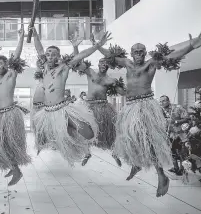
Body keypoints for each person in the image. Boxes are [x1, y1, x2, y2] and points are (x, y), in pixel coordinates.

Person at [98, 32, 201, 197]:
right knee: (127, 136)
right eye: (135, 51)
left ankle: (161, 175)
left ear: (145, 53)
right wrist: (98, 45)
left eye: (141, 51)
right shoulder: (127, 63)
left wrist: (190, 46)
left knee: (149, 140)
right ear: (131, 53)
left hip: (146, 105)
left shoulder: (151, 63)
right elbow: (111, 57)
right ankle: (136, 163)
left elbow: (171, 56)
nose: (138, 53)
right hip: (130, 106)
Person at [31, 27, 110, 164]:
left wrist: (97, 45)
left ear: (58, 56)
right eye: (48, 53)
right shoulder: (44, 68)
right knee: (43, 138)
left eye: (53, 54)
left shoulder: (64, 68)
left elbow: (81, 55)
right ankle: (65, 137)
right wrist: (35, 34)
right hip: (47, 112)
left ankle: (80, 143)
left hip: (62, 109)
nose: (49, 56)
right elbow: (39, 49)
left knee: (88, 133)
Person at [0, 27, 30, 186]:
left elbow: (16, 55)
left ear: (7, 64)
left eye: (1, 63)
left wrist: (21, 38)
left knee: (8, 143)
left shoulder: (11, 74)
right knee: (0, 143)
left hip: (9, 115)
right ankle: (13, 167)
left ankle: (16, 170)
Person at [74, 57, 126, 166]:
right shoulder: (90, 72)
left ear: (109, 66)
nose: (104, 65)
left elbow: (122, 92)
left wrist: (119, 85)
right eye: (102, 62)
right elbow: (78, 62)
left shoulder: (111, 80)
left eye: (106, 63)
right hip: (89, 107)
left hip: (103, 107)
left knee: (113, 132)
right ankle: (87, 153)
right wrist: (75, 46)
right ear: (98, 64)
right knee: (83, 129)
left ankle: (115, 153)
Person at [159, 95, 189, 175]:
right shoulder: (160, 110)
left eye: (164, 100)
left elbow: (187, 118)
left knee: (181, 152)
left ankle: (182, 169)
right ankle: (175, 167)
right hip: (168, 133)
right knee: (171, 151)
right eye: (160, 101)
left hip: (179, 133)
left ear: (168, 101)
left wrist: (176, 122)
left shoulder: (177, 108)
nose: (162, 103)